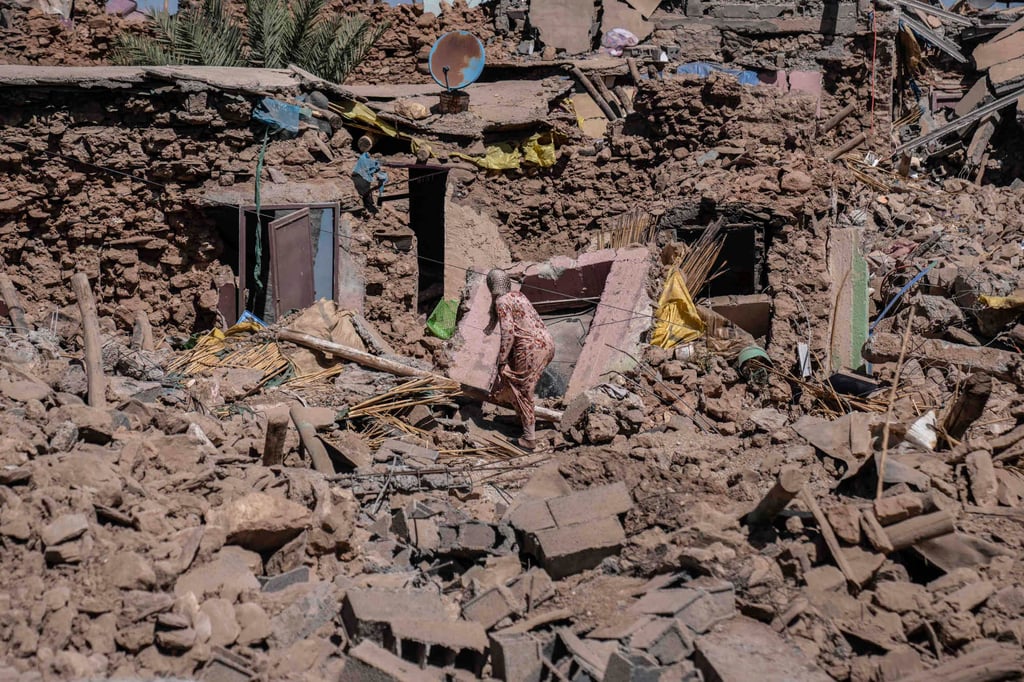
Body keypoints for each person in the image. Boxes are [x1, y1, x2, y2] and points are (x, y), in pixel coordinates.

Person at [487, 268, 555, 450]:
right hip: (547, 343)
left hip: (530, 347)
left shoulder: (502, 301)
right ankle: (523, 421)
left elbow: (508, 333)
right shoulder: (518, 296)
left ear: (491, 286)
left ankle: (529, 438)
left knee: (523, 390)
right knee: (521, 386)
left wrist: (501, 359)